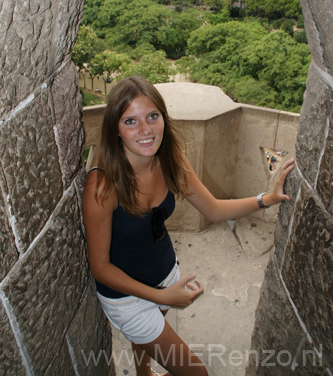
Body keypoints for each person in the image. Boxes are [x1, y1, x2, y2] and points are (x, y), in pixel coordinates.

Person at [82, 76, 294, 376]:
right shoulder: (102, 185)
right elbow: (100, 267)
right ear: (115, 129)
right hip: (127, 297)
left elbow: (215, 209)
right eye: (131, 121)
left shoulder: (171, 160)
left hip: (166, 273)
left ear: (163, 119)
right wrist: (161, 298)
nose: (145, 130)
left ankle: (143, 373)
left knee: (147, 342)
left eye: (152, 117)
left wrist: (267, 198)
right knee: (196, 373)